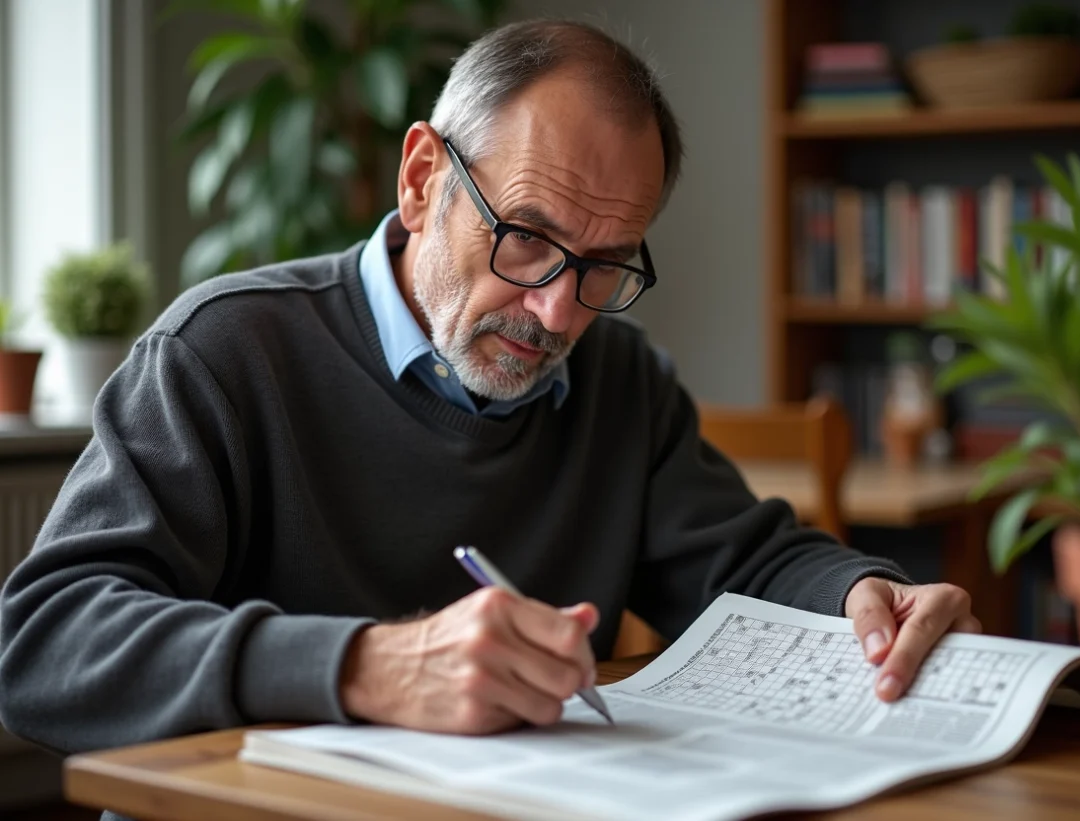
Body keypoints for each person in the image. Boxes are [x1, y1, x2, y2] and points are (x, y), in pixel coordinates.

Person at [0, 19, 980, 764]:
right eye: (526, 236)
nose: (556, 310)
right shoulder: (224, 352)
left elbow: (745, 559)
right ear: (421, 179)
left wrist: (862, 597)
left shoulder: (619, 380)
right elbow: (42, 645)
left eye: (604, 264)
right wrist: (364, 665)